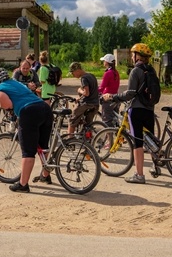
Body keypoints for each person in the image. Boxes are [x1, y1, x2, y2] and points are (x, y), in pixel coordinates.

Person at [102, 43, 156, 184]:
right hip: (150, 109)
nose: (132, 57)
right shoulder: (151, 70)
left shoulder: (136, 71)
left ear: (138, 56)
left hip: (136, 110)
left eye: (133, 54)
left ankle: (139, 175)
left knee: (137, 142)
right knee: (151, 140)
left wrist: (113, 97)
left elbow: (130, 93)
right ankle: (156, 167)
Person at [0, 68, 53, 192]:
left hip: (29, 112)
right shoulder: (17, 83)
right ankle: (45, 175)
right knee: (43, 146)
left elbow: (6, 105)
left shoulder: (0, 88)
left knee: (28, 151)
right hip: (44, 108)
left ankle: (23, 184)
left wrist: (11, 109)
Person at [66, 62, 100, 137]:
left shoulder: (84, 78)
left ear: (77, 70)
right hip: (95, 103)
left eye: (73, 73)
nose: (73, 75)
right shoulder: (91, 75)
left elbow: (86, 93)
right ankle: (88, 140)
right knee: (88, 124)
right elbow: (92, 92)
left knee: (72, 120)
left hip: (86, 104)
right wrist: (80, 98)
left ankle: (69, 140)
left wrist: (79, 90)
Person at [98, 54, 120, 126]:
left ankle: (109, 137)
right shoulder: (116, 72)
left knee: (107, 121)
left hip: (107, 98)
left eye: (104, 61)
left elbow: (101, 88)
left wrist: (93, 91)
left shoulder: (108, 73)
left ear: (107, 62)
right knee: (115, 120)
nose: (103, 62)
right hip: (115, 97)